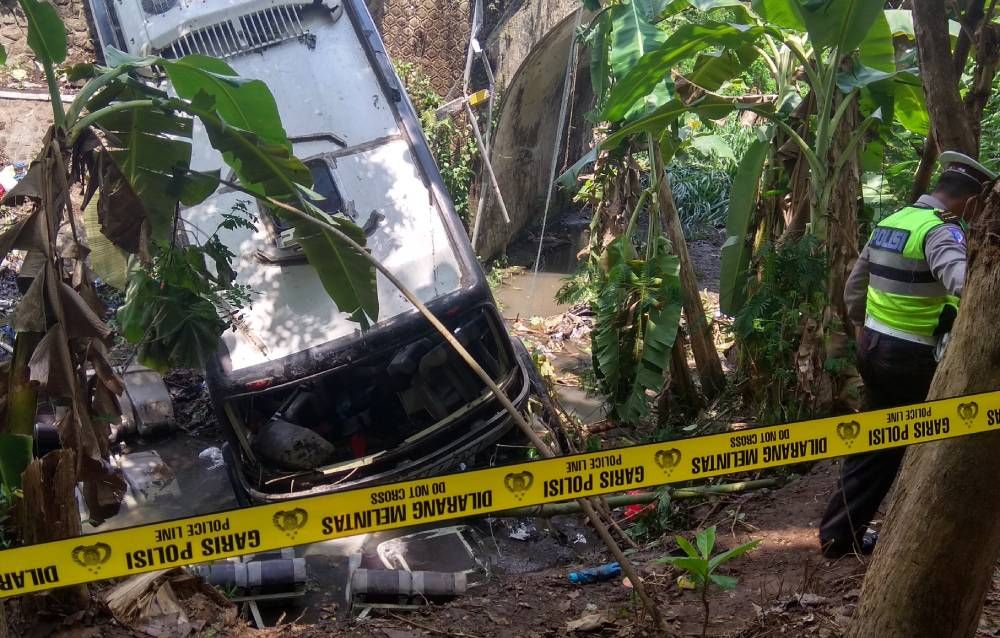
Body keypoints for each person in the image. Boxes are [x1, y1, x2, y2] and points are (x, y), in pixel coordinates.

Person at [818, 151, 998, 559]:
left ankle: (838, 533)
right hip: (913, 359)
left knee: (877, 444)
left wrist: (868, 331)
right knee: (936, 442)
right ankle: (920, 536)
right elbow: (964, 284)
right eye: (980, 207)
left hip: (874, 348)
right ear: (969, 201)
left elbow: (853, 290)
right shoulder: (940, 232)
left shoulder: (893, 222)